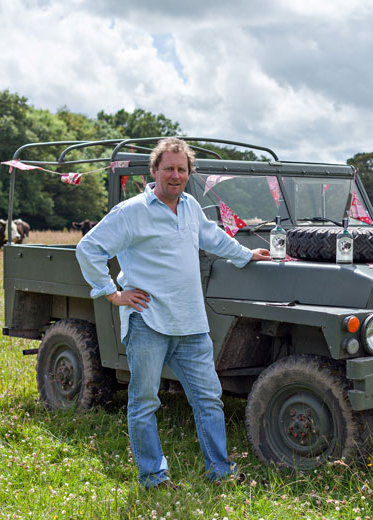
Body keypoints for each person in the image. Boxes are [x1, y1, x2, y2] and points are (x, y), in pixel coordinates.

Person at [76, 137, 271, 489]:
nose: (175, 175)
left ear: (189, 172)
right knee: (144, 402)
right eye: (169, 168)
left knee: (209, 399)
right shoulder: (132, 211)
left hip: (191, 324)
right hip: (148, 321)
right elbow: (89, 247)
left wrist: (247, 254)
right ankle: (153, 477)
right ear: (154, 171)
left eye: (182, 169)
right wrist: (112, 293)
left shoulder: (191, 206)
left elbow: (212, 237)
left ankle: (220, 472)